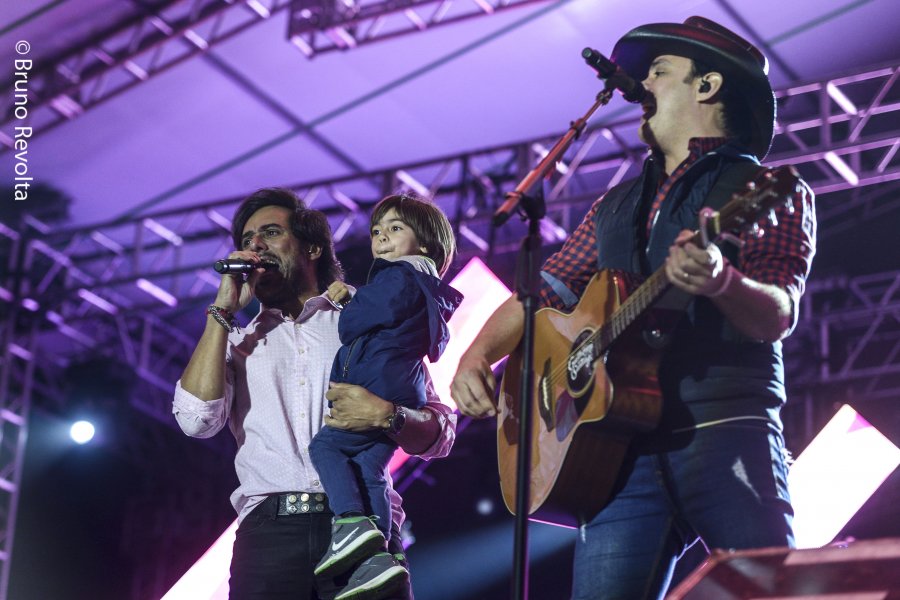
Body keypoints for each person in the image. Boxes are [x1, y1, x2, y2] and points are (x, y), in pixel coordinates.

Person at [450, 16, 816, 600]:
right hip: (617, 450)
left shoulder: (766, 189)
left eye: (658, 71)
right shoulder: (614, 205)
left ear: (707, 86)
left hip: (723, 428)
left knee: (770, 591)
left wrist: (722, 282)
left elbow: (777, 314)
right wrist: (476, 356)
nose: (642, 84)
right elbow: (539, 296)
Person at [173, 188, 457, 600]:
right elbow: (195, 420)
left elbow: (440, 434)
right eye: (248, 239)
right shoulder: (234, 341)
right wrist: (222, 310)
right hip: (269, 539)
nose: (255, 245)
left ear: (312, 248)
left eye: (271, 233)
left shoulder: (367, 315)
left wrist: (389, 415)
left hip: (365, 527)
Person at [309, 194, 463, 600]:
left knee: (326, 447)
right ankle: (381, 556)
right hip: (401, 387)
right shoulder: (424, 288)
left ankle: (350, 525)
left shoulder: (397, 277)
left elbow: (354, 324)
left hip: (380, 383)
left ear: (426, 243)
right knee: (369, 468)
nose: (381, 238)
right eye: (377, 231)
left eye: (395, 229)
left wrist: (350, 305)